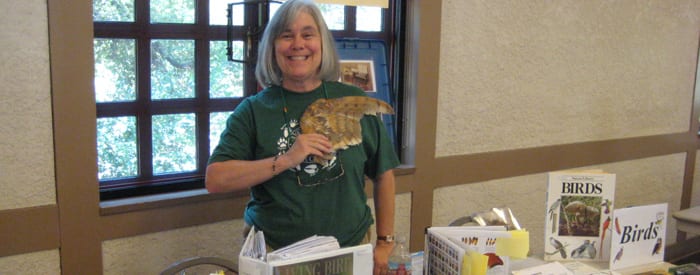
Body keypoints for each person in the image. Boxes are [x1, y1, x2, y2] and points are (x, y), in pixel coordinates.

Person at [204, 0, 401, 274]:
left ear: (323, 44)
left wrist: (384, 241)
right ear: (273, 47)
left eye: (308, 34)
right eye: (287, 35)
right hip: (276, 255)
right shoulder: (253, 111)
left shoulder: (353, 102)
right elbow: (216, 179)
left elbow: (384, 173)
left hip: (350, 248)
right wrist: (287, 159)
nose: (298, 44)